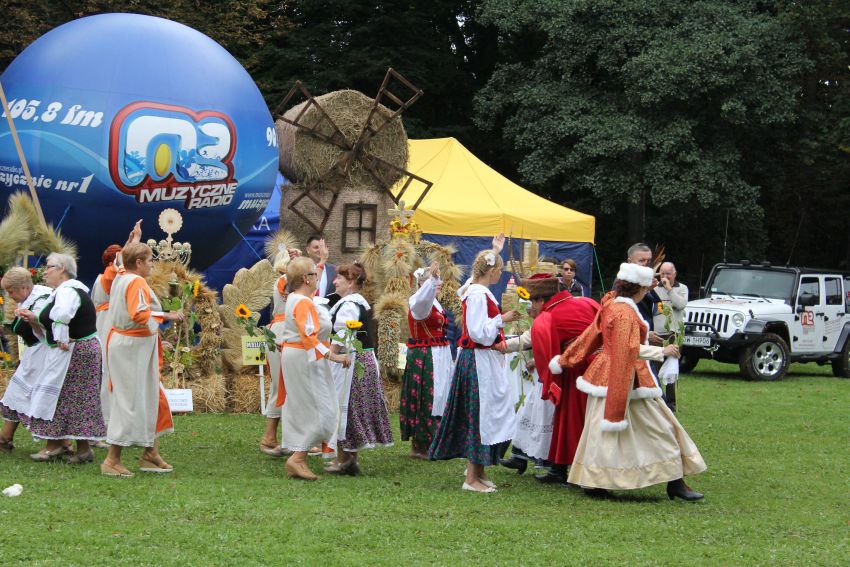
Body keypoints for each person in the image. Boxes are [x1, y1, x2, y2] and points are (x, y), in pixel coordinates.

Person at [555, 263, 706, 500]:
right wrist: (661, 352)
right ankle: (672, 482)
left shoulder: (610, 304)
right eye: (645, 288)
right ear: (639, 288)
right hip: (623, 378)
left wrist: (566, 359)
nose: (647, 292)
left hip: (611, 376)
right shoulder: (624, 313)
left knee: (603, 433)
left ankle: (598, 482)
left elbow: (590, 336)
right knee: (660, 427)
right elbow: (626, 348)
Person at [429, 247, 519, 493]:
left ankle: (479, 471)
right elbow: (478, 331)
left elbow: (468, 285)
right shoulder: (478, 294)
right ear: (491, 271)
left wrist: (495, 250)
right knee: (480, 415)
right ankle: (471, 478)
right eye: (499, 269)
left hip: (481, 359)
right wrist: (502, 319)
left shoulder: (474, 289)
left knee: (486, 414)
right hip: (478, 360)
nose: (500, 274)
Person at [7, 253, 106, 463]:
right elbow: (54, 321)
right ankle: (81, 449)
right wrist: (35, 320)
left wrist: (60, 338)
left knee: (60, 398)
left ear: (62, 269)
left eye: (49, 266)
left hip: (76, 350)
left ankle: (55, 447)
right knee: (75, 399)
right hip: (79, 349)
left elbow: (61, 316)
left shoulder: (68, 290)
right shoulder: (64, 290)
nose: (45, 271)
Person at [102, 243, 184, 477]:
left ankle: (150, 452)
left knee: (150, 396)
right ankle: (111, 460)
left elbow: (120, 261)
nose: (152, 265)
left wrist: (134, 240)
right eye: (149, 260)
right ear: (138, 263)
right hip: (131, 348)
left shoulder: (122, 276)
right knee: (128, 401)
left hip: (132, 346)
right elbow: (138, 313)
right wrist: (168, 315)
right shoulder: (135, 281)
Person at [522, 274, 600, 484]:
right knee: (579, 418)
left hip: (574, 369)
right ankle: (558, 468)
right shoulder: (586, 302)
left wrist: (551, 384)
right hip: (601, 366)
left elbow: (547, 358)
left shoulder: (546, 318)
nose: (532, 306)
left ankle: (580, 472)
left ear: (540, 300)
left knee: (573, 419)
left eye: (532, 301)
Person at [278, 257, 349, 480]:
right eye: (313, 273)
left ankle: (300, 456)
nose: (317, 277)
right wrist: (333, 356)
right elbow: (308, 336)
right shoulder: (302, 302)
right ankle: (297, 458)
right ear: (305, 279)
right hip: (306, 358)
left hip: (301, 356)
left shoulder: (298, 299)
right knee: (323, 409)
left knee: (309, 407)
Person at [326, 262, 393, 475]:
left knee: (345, 407)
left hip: (353, 361)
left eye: (339, 278)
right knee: (353, 408)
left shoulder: (349, 304)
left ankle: (343, 459)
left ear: (351, 282)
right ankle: (349, 458)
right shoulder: (356, 302)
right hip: (362, 359)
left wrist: (330, 353)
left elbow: (344, 332)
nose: (334, 281)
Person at [400, 261, 453, 459]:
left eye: (439, 282)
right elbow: (423, 300)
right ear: (423, 284)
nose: (439, 284)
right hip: (425, 356)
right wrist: (432, 280)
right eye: (434, 282)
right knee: (426, 396)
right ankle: (421, 445)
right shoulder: (419, 303)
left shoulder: (434, 303)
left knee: (437, 395)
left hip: (436, 354)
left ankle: (433, 441)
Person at [93, 220, 142, 427]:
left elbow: (121, 262)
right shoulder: (108, 276)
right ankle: (107, 419)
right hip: (108, 326)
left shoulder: (103, 277)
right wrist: (135, 240)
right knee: (108, 371)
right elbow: (122, 263)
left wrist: (130, 242)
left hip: (103, 325)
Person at [0, 268, 53, 453]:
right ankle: (4, 439)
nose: (10, 296)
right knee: (13, 395)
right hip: (33, 355)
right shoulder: (29, 299)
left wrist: (34, 320)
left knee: (38, 398)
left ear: (23, 287)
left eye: (11, 291)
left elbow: (51, 327)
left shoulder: (42, 299)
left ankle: (59, 444)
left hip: (45, 356)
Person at [259, 258, 290, 458]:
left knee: (281, 388)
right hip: (283, 333)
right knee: (282, 387)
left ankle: (274, 438)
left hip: (285, 332)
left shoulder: (289, 280)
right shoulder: (285, 280)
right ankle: (273, 438)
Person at [653, 261, 689, 412]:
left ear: (674, 274)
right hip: (657, 335)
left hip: (675, 334)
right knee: (655, 369)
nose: (665, 276)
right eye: (662, 273)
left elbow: (680, 305)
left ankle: (671, 404)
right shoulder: (654, 288)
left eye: (668, 273)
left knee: (672, 370)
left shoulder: (682, 288)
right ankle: (655, 401)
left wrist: (669, 289)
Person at [305, 235, 337, 300]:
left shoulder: (334, 270)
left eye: (322, 247)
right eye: (316, 247)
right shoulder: (302, 269)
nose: (320, 250)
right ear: (308, 249)